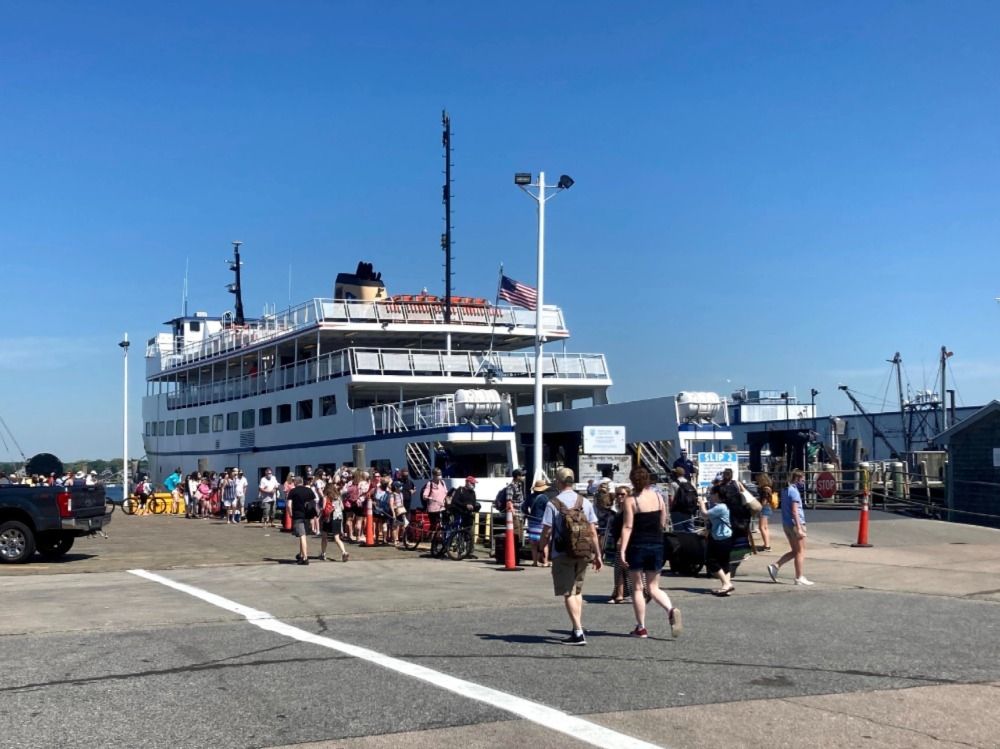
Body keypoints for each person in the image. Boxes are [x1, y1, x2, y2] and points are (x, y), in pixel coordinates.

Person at [537, 468, 603, 646]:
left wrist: (541, 548)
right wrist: (598, 554)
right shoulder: (584, 502)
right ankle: (576, 629)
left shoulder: (553, 503)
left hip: (562, 552)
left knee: (568, 592)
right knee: (578, 591)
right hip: (583, 552)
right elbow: (593, 531)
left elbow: (547, 531)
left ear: (558, 482)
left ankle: (578, 631)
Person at [618, 466, 682, 638]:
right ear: (647, 480)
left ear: (632, 481)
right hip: (657, 544)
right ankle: (670, 609)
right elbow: (663, 521)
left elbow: (628, 526)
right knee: (654, 587)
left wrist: (622, 550)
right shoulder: (658, 496)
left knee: (638, 588)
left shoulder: (631, 500)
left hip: (637, 545)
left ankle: (641, 627)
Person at [768, 470, 813, 586]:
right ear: (797, 479)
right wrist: (799, 527)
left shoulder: (785, 490)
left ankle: (776, 566)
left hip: (786, 524)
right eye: (802, 480)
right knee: (800, 551)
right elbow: (795, 511)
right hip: (795, 524)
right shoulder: (794, 492)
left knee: (795, 550)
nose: (803, 482)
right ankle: (799, 577)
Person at [699, 485, 734, 596]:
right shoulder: (725, 506)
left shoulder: (720, 507)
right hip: (726, 537)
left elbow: (704, 515)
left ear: (717, 495)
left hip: (720, 537)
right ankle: (727, 585)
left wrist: (701, 503)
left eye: (712, 494)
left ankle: (726, 583)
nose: (710, 496)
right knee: (724, 563)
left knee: (711, 561)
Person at [523, 478, 551, 567]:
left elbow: (523, 507)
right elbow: (549, 509)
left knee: (534, 544)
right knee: (545, 543)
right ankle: (545, 561)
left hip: (532, 522)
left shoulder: (530, 496)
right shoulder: (545, 498)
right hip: (541, 522)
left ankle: (535, 562)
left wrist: (528, 515)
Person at [287, 476, 315, 565]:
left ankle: (305, 557)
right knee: (303, 535)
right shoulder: (309, 490)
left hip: (298, 515)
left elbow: (288, 504)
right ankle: (301, 555)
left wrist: (291, 514)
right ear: (302, 482)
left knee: (302, 536)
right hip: (308, 515)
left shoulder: (293, 491)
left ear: (295, 482)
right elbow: (314, 502)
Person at [320, 481, 349, 562]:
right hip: (338, 517)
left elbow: (323, 508)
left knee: (324, 536)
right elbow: (342, 507)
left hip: (328, 518)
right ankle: (344, 552)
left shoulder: (326, 496)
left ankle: (323, 554)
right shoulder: (338, 496)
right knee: (337, 538)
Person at [756, 473, 774, 551]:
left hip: (764, 508)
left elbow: (764, 501)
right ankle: (767, 544)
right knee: (765, 527)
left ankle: (767, 545)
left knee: (762, 527)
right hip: (768, 507)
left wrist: (759, 506)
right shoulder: (769, 488)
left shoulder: (765, 489)